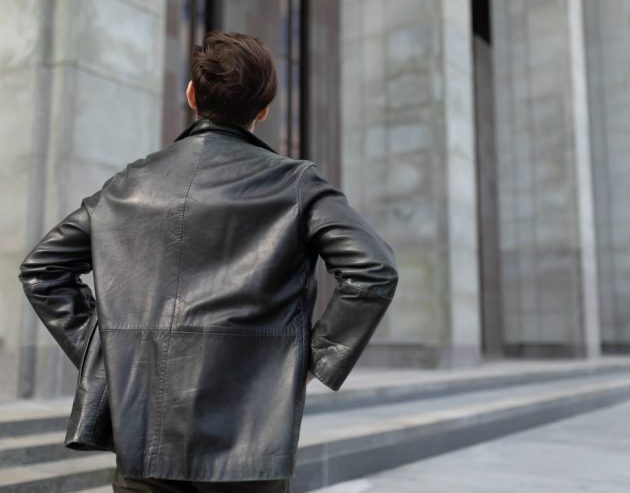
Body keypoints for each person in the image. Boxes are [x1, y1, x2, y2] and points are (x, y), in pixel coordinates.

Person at [18, 31, 398, 492]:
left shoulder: (128, 185)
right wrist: (313, 359)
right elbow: (373, 269)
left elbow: (42, 269)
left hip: (145, 433)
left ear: (192, 95)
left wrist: (113, 349)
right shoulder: (295, 183)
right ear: (263, 108)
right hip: (249, 434)